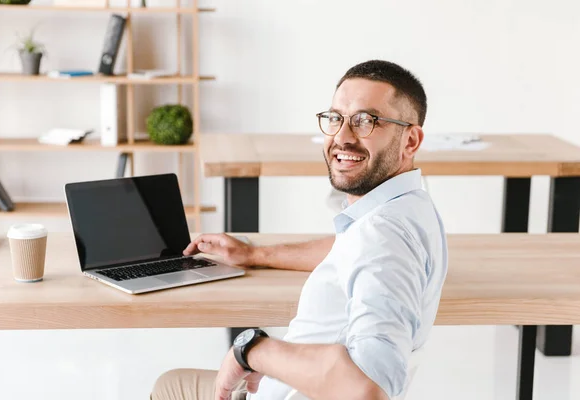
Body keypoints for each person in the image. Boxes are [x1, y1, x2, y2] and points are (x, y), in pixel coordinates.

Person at [151, 60, 448, 400]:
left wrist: (252, 351)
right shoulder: (409, 208)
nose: (342, 137)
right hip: (285, 386)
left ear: (410, 140)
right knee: (172, 381)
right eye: (336, 118)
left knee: (170, 388)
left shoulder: (382, 238)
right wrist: (255, 254)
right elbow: (352, 250)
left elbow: (369, 391)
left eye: (367, 121)